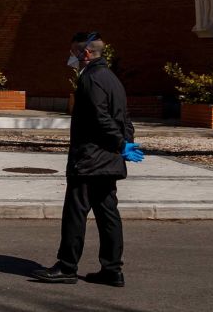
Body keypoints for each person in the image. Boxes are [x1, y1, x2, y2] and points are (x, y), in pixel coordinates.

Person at [33, 32, 144, 287]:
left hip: (89, 160)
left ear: (85, 54)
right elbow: (124, 117)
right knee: (108, 214)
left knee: (75, 213)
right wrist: (124, 144)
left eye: (73, 52)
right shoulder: (112, 79)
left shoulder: (91, 79)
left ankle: (67, 266)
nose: (70, 57)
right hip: (109, 160)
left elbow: (99, 118)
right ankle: (112, 269)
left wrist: (120, 144)